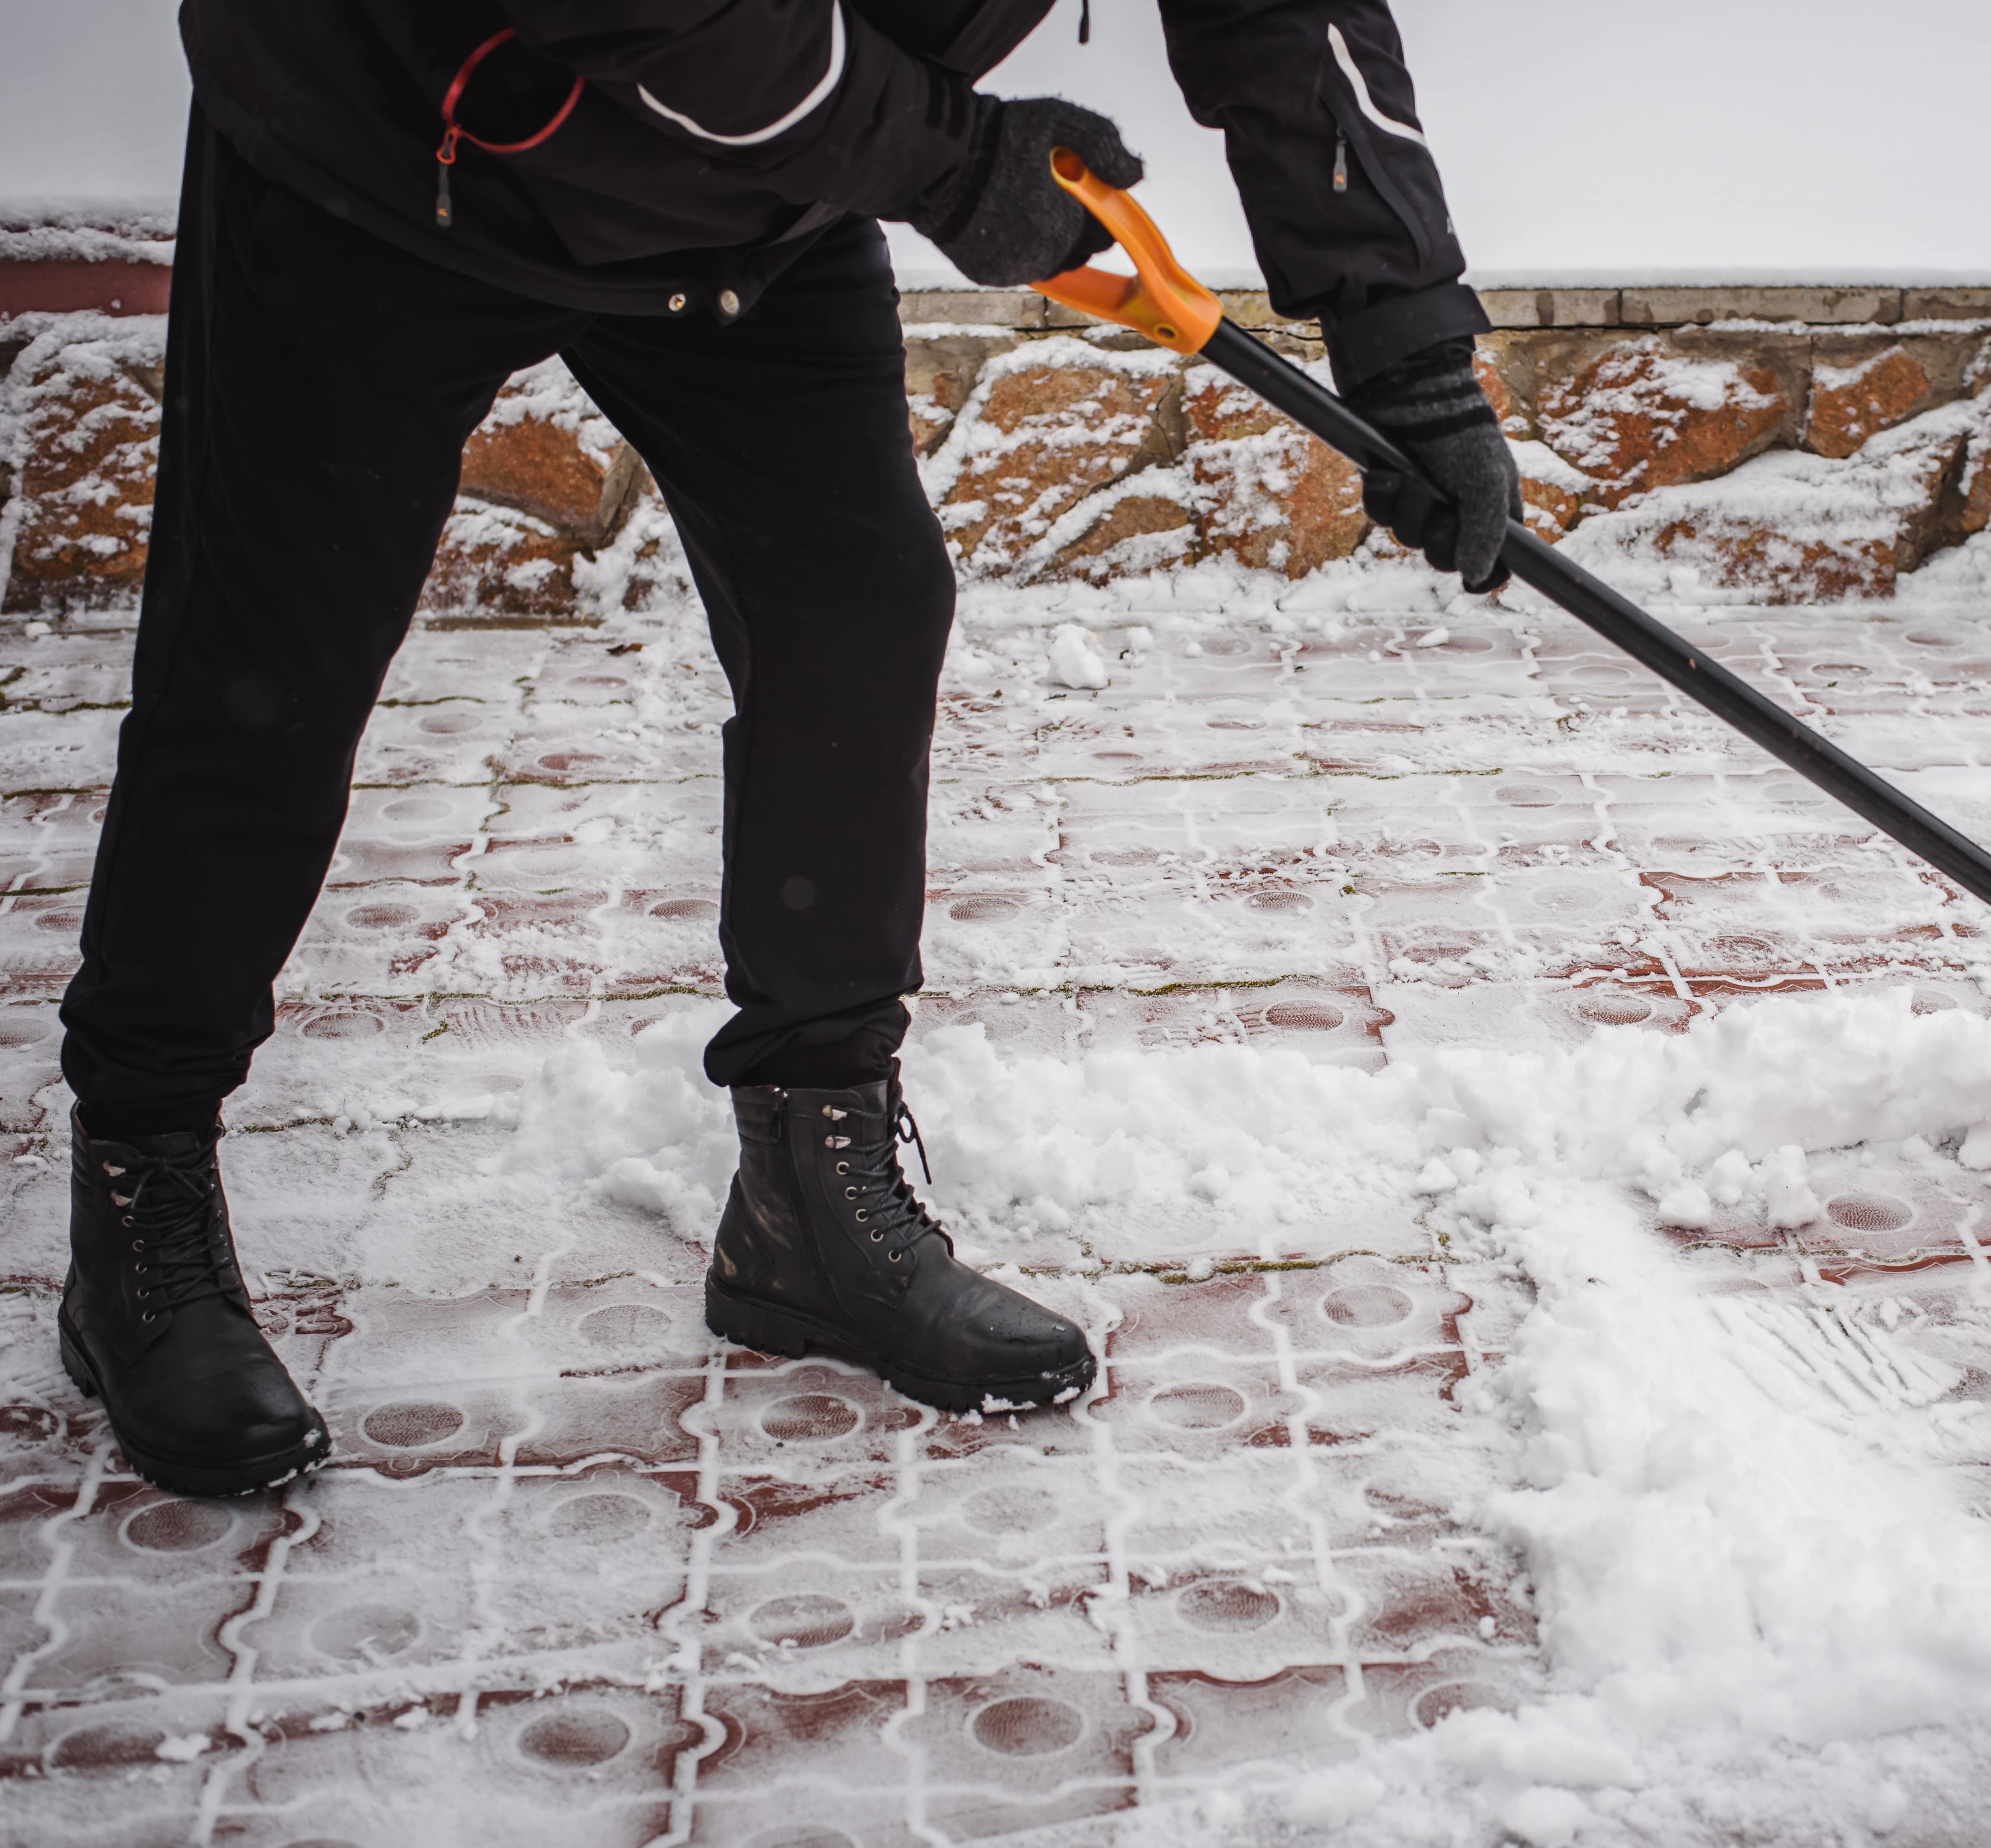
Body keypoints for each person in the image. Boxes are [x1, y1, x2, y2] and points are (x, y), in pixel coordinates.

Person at [56, 0, 1521, 1497]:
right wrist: (953, 163)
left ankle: (809, 1196)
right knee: (266, 678)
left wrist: (1402, 342)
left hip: (751, 203)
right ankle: (141, 1175)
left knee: (857, 618)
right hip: (391, 163)